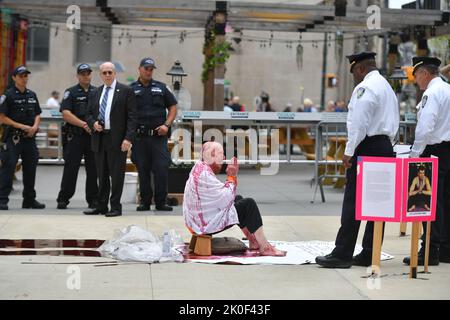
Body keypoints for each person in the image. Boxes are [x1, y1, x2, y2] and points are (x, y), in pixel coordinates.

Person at [315, 52, 399, 268]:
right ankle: (370, 253)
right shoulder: (387, 87)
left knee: (354, 202)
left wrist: (349, 151)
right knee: (378, 204)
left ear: (360, 69)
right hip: (384, 146)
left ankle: (342, 254)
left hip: (367, 147)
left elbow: (359, 123)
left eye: (354, 72)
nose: (354, 77)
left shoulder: (365, 88)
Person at [183, 141, 286, 256]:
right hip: (203, 224)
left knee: (238, 199)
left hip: (197, 220)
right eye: (221, 154)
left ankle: (254, 241)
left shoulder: (199, 167)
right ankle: (265, 247)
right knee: (249, 204)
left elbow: (220, 197)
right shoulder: (204, 174)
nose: (224, 158)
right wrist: (232, 176)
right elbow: (226, 198)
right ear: (212, 154)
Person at [403, 56, 450, 266]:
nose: (416, 81)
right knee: (446, 201)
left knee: (430, 202)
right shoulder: (448, 89)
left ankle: (430, 251)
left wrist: (415, 154)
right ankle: (445, 249)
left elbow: (424, 128)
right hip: (447, 149)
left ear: (424, 73)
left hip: (433, 150)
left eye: (416, 76)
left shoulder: (431, 93)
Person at [83, 62, 137, 217]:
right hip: (99, 138)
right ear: (100, 75)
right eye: (104, 73)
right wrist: (93, 123)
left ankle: (115, 207)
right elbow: (88, 114)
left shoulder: (126, 91)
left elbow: (132, 117)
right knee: (102, 174)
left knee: (117, 175)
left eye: (110, 72)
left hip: (118, 139)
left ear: (115, 74)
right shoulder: (95, 92)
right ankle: (101, 206)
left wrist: (128, 139)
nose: (107, 75)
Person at [130, 57, 177, 212]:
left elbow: (173, 107)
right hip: (139, 137)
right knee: (142, 169)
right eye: (146, 68)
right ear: (140, 69)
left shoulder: (161, 87)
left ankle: (161, 201)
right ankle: (144, 201)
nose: (149, 71)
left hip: (158, 138)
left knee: (161, 168)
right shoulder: (130, 89)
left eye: (151, 69)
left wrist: (166, 124)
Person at [0, 66, 46, 210]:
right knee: (8, 168)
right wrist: (21, 126)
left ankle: (29, 200)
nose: (24, 78)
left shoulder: (32, 95)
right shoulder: (7, 96)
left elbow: (38, 113)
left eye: (26, 75)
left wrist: (34, 126)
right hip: (13, 138)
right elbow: (2, 118)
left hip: (29, 138)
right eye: (21, 76)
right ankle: (2, 200)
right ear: (14, 78)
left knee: (30, 169)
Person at [56, 63, 98, 210]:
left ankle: (93, 200)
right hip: (75, 136)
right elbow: (66, 114)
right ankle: (63, 199)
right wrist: (84, 125)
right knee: (70, 169)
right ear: (78, 75)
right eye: (82, 73)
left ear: (91, 75)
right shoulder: (71, 92)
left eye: (88, 73)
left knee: (93, 170)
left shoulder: (97, 91)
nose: (85, 76)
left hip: (92, 137)